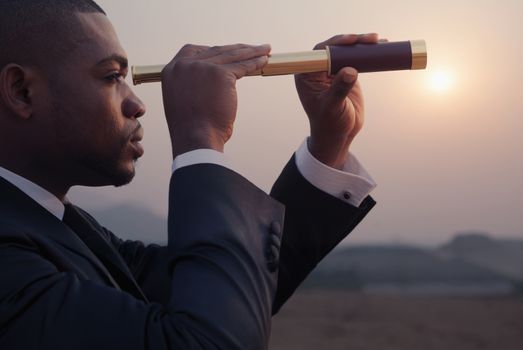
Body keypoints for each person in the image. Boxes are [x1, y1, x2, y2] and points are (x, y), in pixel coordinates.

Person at [0, 0, 377, 349]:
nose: (136, 103)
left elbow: (227, 291)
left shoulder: (59, 225)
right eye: (112, 76)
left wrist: (329, 144)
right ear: (21, 91)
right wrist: (201, 137)